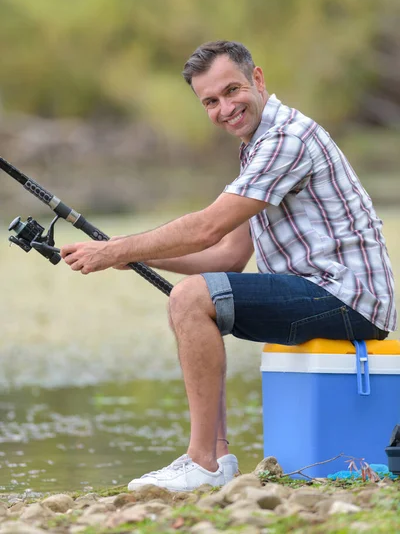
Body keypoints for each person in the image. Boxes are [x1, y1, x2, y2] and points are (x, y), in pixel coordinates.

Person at [60, 40, 397, 492]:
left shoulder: (285, 140)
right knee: (198, 297)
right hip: (321, 292)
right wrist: (136, 252)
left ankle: (203, 462)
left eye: (232, 90)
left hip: (347, 298)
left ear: (257, 79)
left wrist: (119, 249)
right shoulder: (257, 146)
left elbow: (207, 228)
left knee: (192, 297)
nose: (226, 108)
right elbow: (229, 256)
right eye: (210, 102)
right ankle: (214, 459)